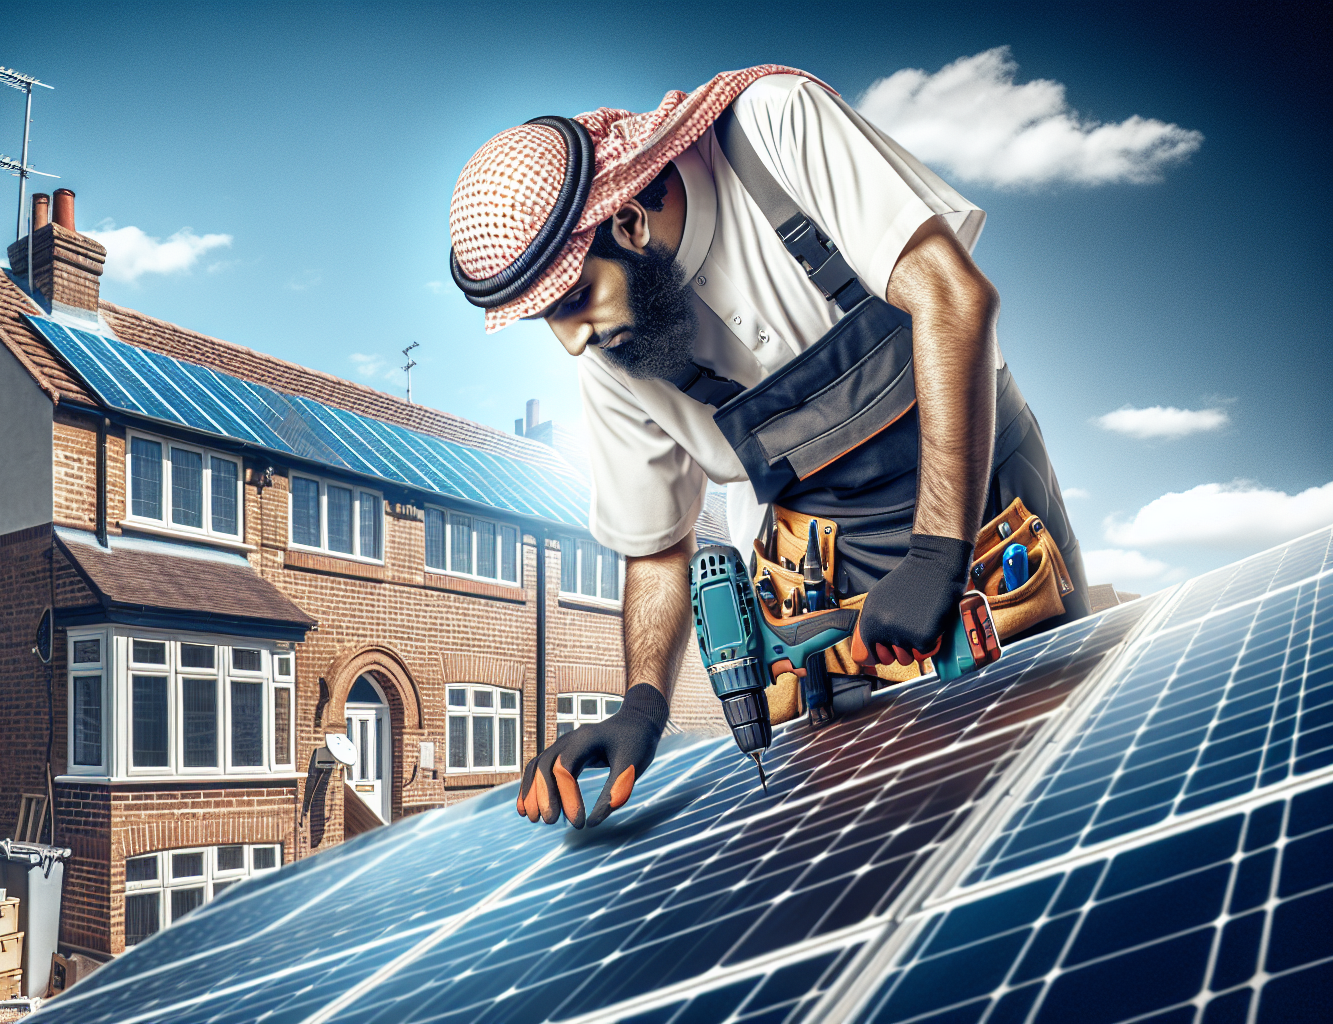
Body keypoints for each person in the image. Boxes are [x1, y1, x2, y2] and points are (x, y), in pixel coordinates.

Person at [447, 65, 1090, 829]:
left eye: (576, 299)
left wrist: (934, 555)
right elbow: (657, 547)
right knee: (863, 833)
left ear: (628, 222)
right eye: (544, 320)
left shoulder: (773, 130)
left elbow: (951, 295)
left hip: (982, 523)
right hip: (814, 581)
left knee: (1038, 792)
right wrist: (643, 703)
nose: (573, 340)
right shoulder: (616, 357)